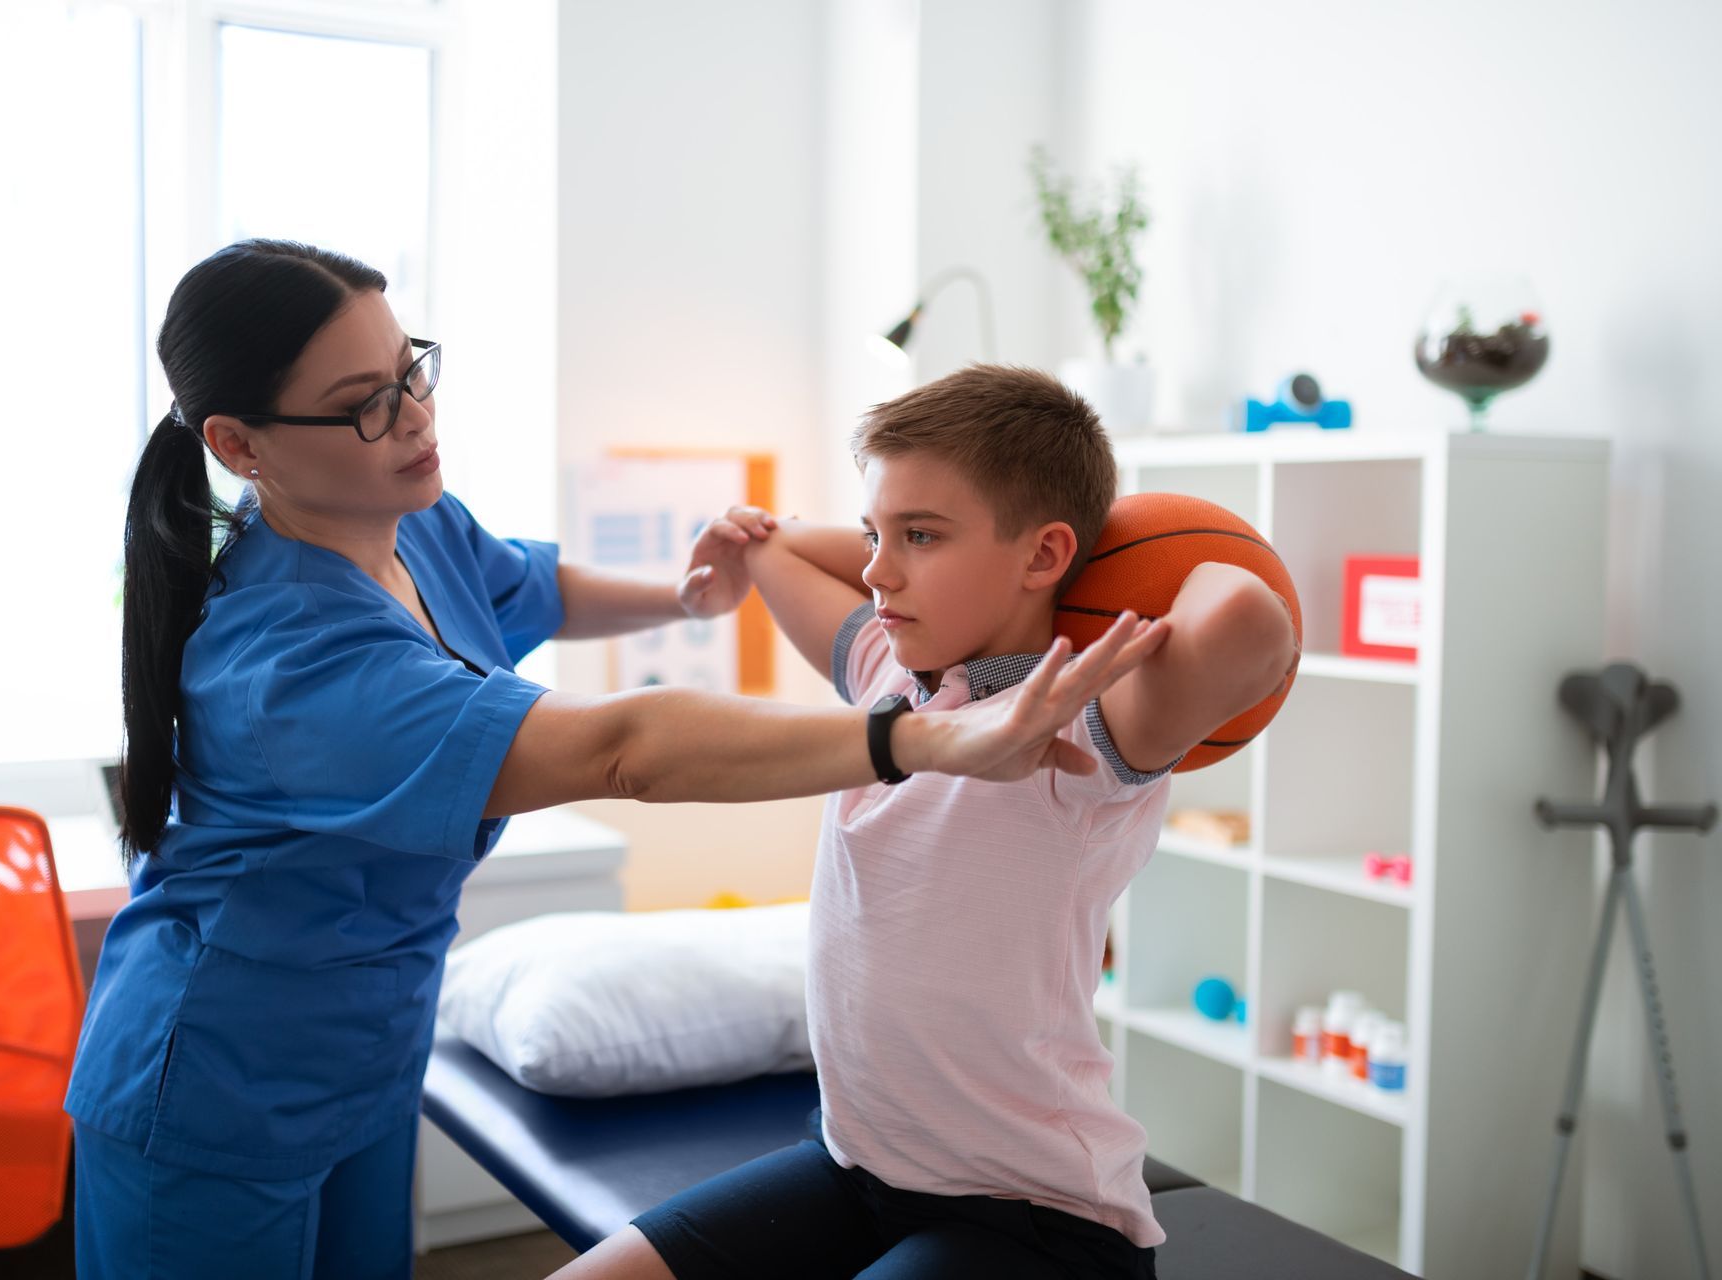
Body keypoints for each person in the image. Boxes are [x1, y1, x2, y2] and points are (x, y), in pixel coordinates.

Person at [62, 243, 1166, 1280]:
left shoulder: (408, 519)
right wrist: (917, 738)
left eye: (412, 371)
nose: (415, 418)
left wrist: (685, 595)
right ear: (239, 446)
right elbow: (622, 747)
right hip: (214, 1081)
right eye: (365, 407)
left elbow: (531, 584)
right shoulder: (292, 661)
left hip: (361, 1059)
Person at [555, 365, 1297, 1280]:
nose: (876, 569)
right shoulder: (888, 682)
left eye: (920, 536)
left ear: (1043, 555)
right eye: (874, 532)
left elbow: (1252, 620)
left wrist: (1130, 549)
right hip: (854, 1168)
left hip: (1033, 1218)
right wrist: (770, 532)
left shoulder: (1082, 724)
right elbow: (779, 555)